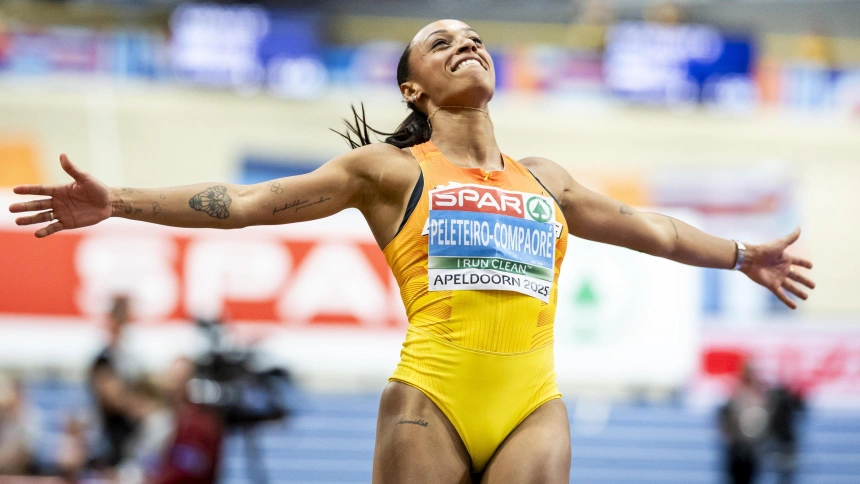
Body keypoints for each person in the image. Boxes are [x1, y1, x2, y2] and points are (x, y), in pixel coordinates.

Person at [8, 19, 816, 484]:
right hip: (427, 403)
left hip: (535, 405)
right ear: (412, 89)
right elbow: (247, 205)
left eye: (474, 36)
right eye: (442, 42)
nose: (466, 42)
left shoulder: (547, 180)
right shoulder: (390, 172)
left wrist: (744, 253)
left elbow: (657, 229)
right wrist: (118, 202)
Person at [88, 296, 138, 469]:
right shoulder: (104, 359)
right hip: (109, 439)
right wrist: (143, 407)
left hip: (128, 437)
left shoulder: (127, 357)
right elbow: (112, 399)